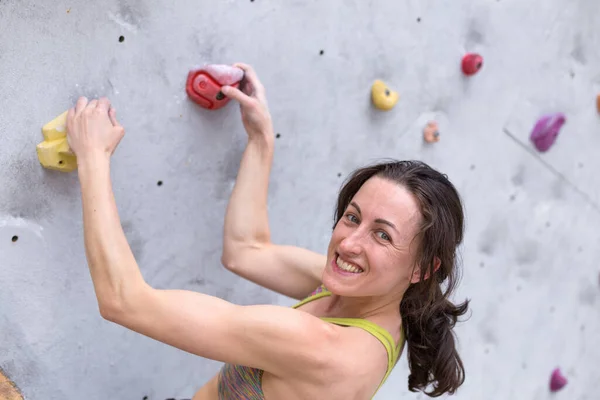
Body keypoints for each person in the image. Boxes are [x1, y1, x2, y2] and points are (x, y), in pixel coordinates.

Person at [66, 63, 469, 400]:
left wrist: (93, 159)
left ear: (422, 268)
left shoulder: (321, 347)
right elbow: (246, 250)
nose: (349, 242)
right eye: (352, 216)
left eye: (382, 235)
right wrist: (261, 139)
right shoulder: (373, 297)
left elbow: (124, 302)